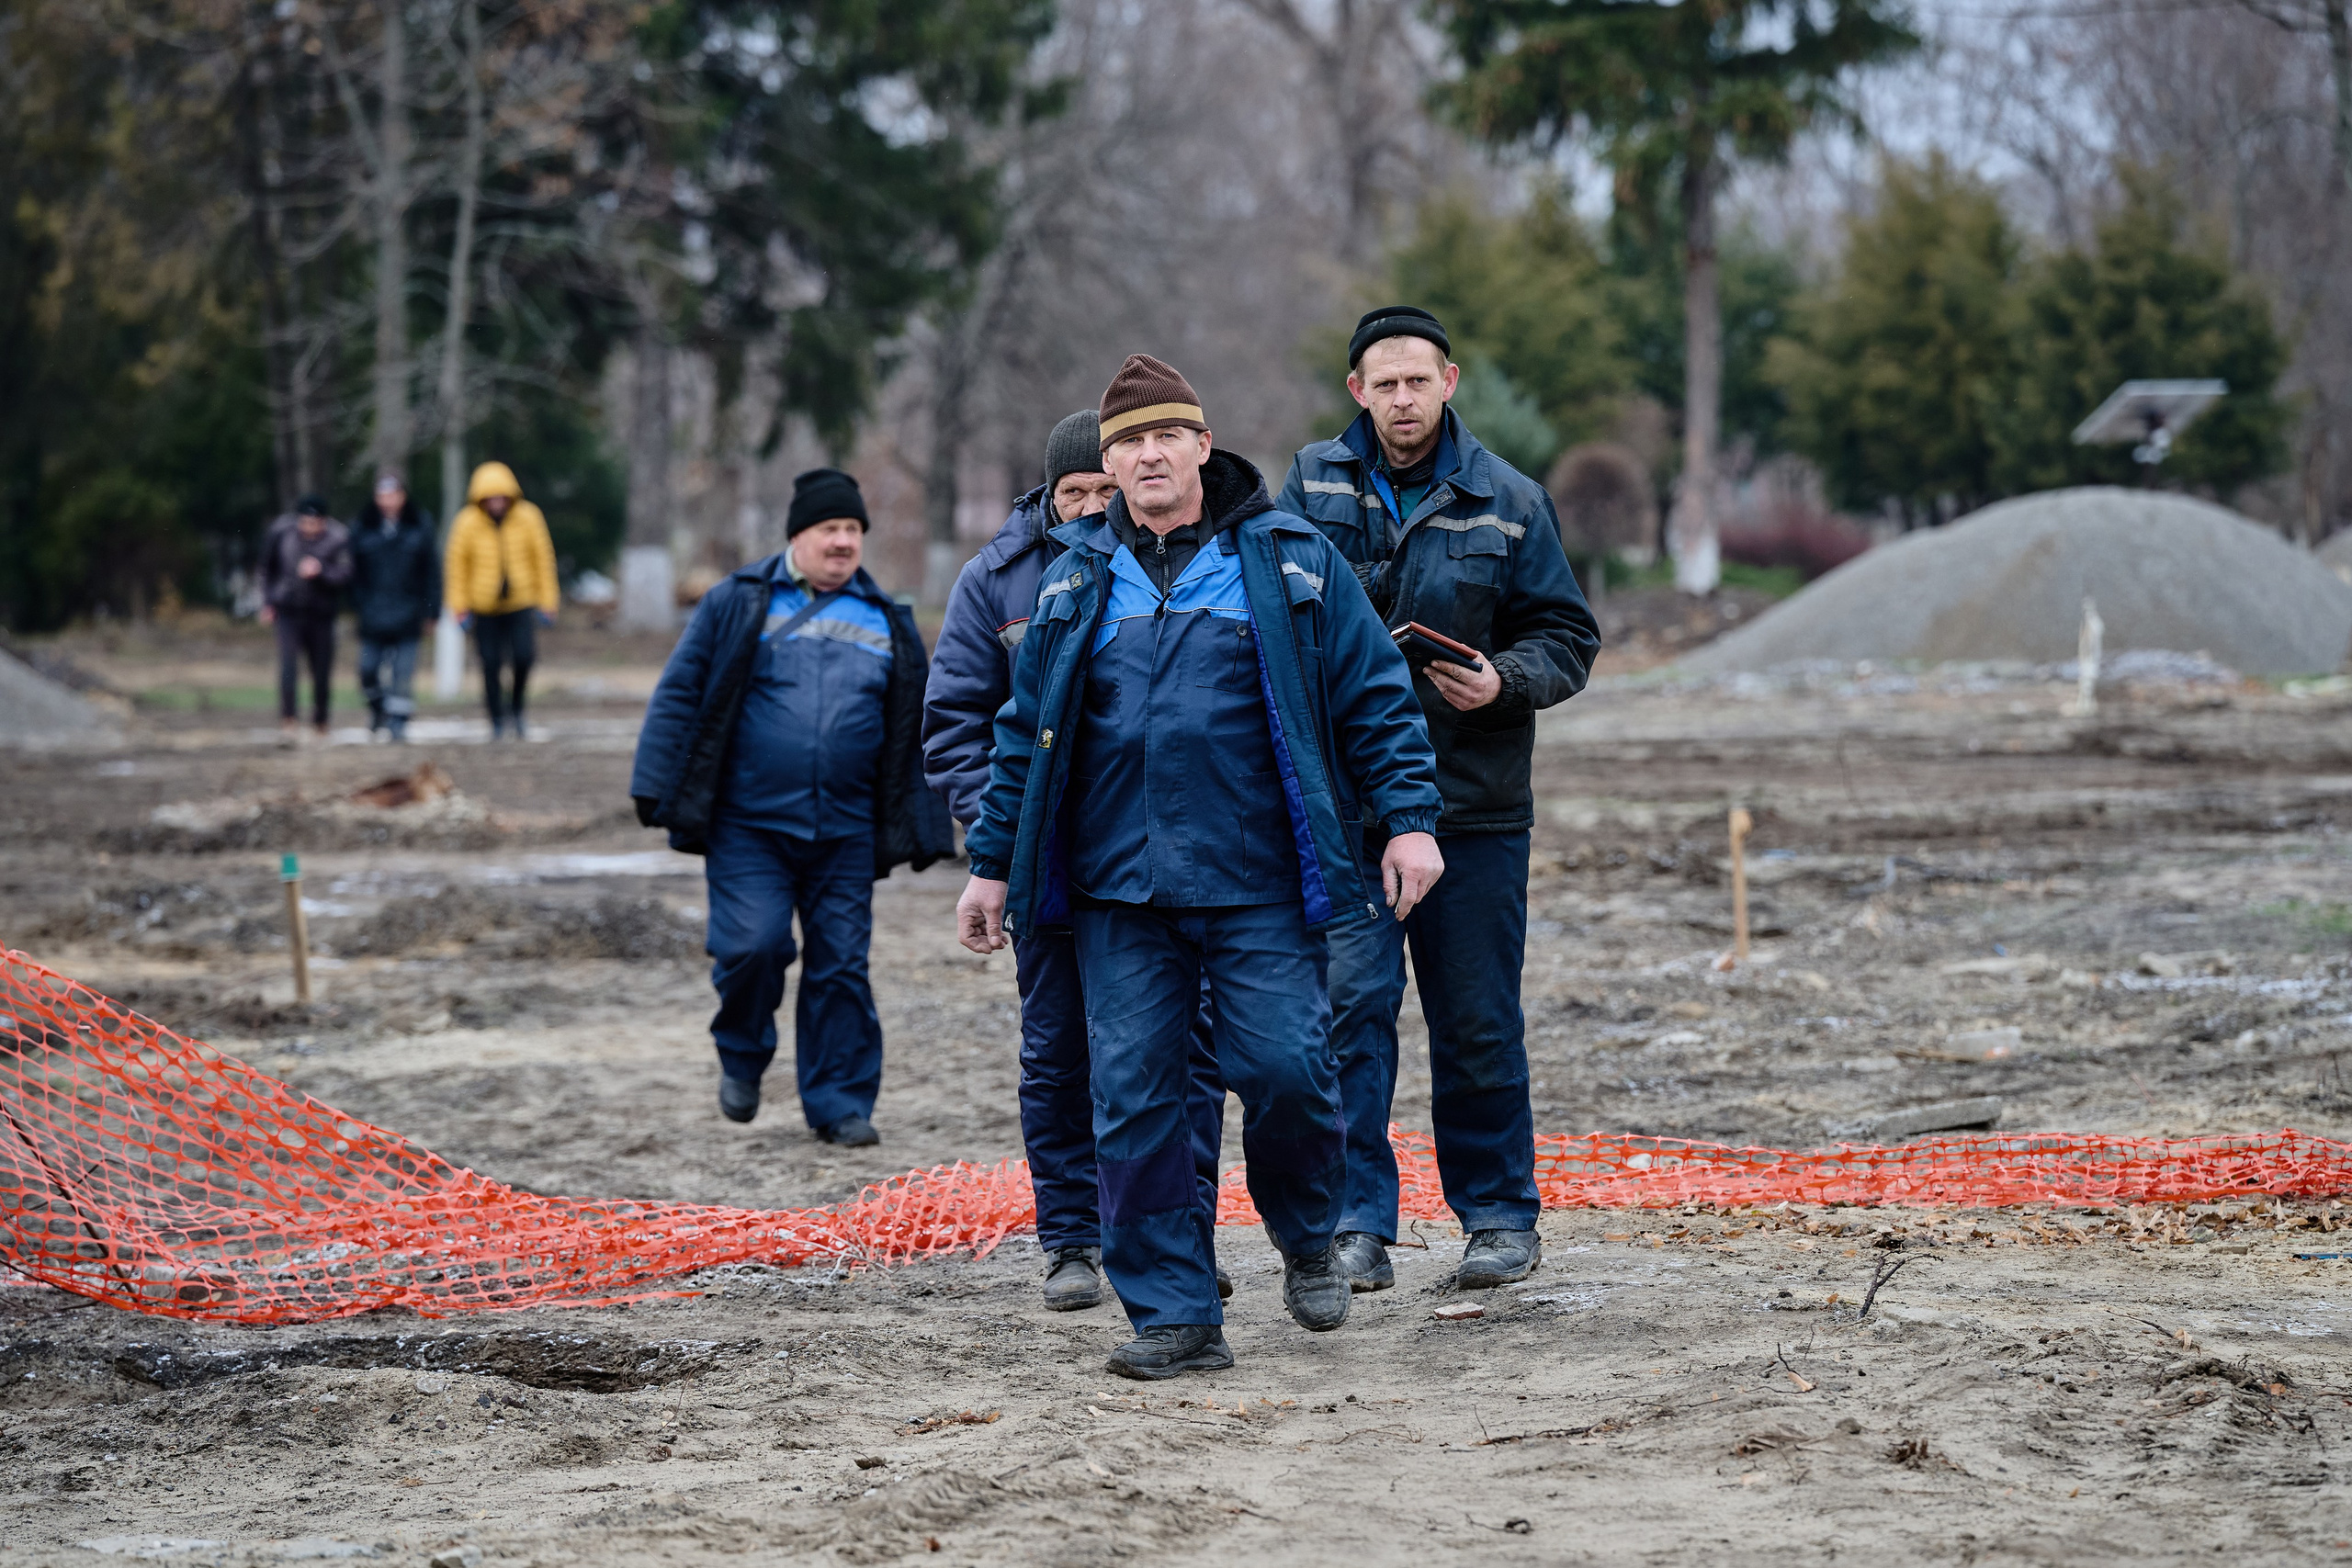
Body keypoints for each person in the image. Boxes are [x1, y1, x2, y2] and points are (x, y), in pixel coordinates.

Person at [958, 355, 1443, 1380]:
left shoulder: (1288, 559)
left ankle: (1307, 1236)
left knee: (1286, 1075)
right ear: (1109, 462)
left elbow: (1375, 698)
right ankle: (1174, 1314)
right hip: (1114, 893)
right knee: (1131, 1098)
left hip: (1259, 880)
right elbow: (1022, 731)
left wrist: (1407, 820)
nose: (1144, 457)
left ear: (1201, 445)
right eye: (1124, 443)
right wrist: (990, 865)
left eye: (1162, 437)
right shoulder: (1075, 575)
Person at [1275, 306, 1600, 1295]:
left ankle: (1499, 1217)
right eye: (1385, 383)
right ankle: (1353, 1225)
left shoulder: (1508, 499)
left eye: (1419, 381)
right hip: (1346, 808)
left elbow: (1567, 636)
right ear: (1356, 392)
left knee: (1475, 1020)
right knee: (1347, 1013)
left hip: (1473, 803)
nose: (1402, 399)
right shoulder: (1308, 486)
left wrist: (1506, 680)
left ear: (1449, 382)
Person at [923, 411, 1230, 1314]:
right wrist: (1003, 832)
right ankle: (1069, 1238)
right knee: (1060, 1053)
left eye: (1106, 490)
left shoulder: (1181, 561)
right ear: (1049, 496)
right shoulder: (997, 581)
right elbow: (958, 722)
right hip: (1051, 870)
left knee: (1185, 1053)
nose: (1096, 506)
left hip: (1169, 862)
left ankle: (1184, 1231)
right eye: (1077, 494)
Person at [631, 468, 954, 1146]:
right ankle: (743, 1051)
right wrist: (654, 784)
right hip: (749, 824)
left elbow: (915, 727)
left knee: (840, 965)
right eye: (829, 529)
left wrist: (928, 819)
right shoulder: (741, 600)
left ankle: (839, 1103)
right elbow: (683, 690)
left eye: (852, 531)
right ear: (797, 536)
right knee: (753, 946)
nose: (843, 542)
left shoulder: (887, 618)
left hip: (845, 830)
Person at [444, 460, 559, 739]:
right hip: (483, 606)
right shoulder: (467, 522)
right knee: (490, 663)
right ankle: (496, 718)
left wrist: (548, 601)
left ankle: (517, 708)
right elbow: (457, 566)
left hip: (521, 602)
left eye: (500, 496)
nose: (496, 502)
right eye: (490, 497)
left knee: (524, 656)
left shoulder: (529, 517)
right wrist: (458, 606)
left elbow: (543, 559)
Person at [350, 472, 441, 742]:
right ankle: (379, 710)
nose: (388, 500)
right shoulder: (363, 527)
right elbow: (354, 573)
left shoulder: (420, 525)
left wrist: (431, 611)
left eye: (393, 494)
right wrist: (359, 604)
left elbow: (432, 573)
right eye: (383, 494)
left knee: (402, 674)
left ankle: (399, 724)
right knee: (367, 671)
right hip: (373, 614)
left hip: (409, 613)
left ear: (403, 496)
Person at [256, 494, 353, 746]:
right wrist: (268, 602)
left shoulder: (338, 537)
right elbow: (267, 568)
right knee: (288, 667)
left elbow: (345, 575)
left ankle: (321, 722)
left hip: (322, 613)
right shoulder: (281, 532)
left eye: (315, 523)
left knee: (321, 670)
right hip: (288, 609)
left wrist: (321, 572)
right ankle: (288, 721)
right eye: (305, 522)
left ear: (324, 521)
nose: (309, 528)